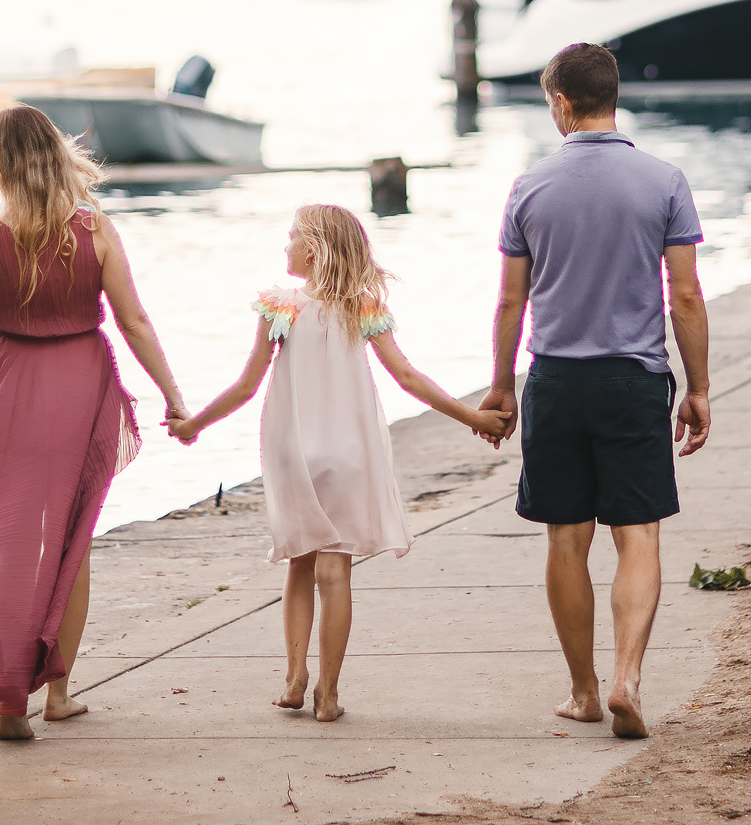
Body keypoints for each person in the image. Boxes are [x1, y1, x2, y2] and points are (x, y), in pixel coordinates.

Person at [0, 104, 190, 741]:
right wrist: (173, 396)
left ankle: (10, 700)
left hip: (9, 392)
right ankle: (59, 693)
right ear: (57, 157)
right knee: (70, 542)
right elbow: (135, 322)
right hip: (83, 389)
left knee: (4, 538)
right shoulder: (96, 231)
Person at [169, 205, 510, 722]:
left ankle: (294, 679)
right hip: (349, 453)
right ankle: (328, 695)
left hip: (294, 452)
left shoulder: (281, 307)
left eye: (290, 238)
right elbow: (409, 377)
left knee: (299, 565)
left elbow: (245, 386)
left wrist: (195, 424)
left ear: (313, 249)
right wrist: (472, 417)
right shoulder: (362, 306)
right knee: (336, 572)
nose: (284, 247)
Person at [481, 41, 707, 741]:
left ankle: (582, 691)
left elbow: (510, 303)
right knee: (637, 534)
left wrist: (500, 386)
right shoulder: (664, 179)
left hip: (555, 379)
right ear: (613, 95)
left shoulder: (528, 188)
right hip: (632, 378)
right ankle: (627, 679)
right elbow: (687, 296)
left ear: (560, 102)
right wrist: (699, 388)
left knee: (566, 537)